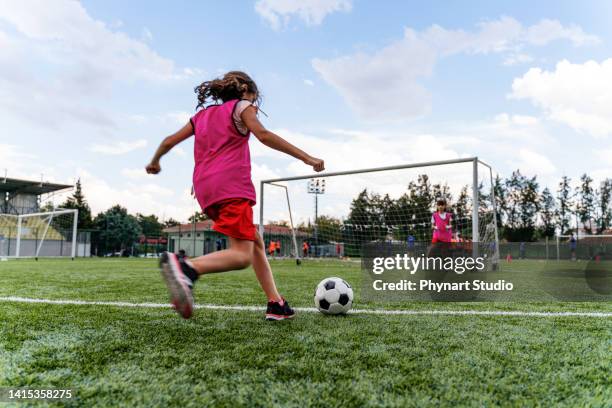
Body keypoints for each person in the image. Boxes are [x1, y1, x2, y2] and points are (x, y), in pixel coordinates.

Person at [146, 71, 324, 320]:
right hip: (230, 186)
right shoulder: (242, 107)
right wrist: (307, 157)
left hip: (205, 190)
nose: (254, 103)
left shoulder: (201, 116)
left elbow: (168, 141)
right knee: (241, 255)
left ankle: (276, 304)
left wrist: (155, 161)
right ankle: (187, 268)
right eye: (254, 97)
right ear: (245, 91)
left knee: (256, 243)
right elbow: (264, 135)